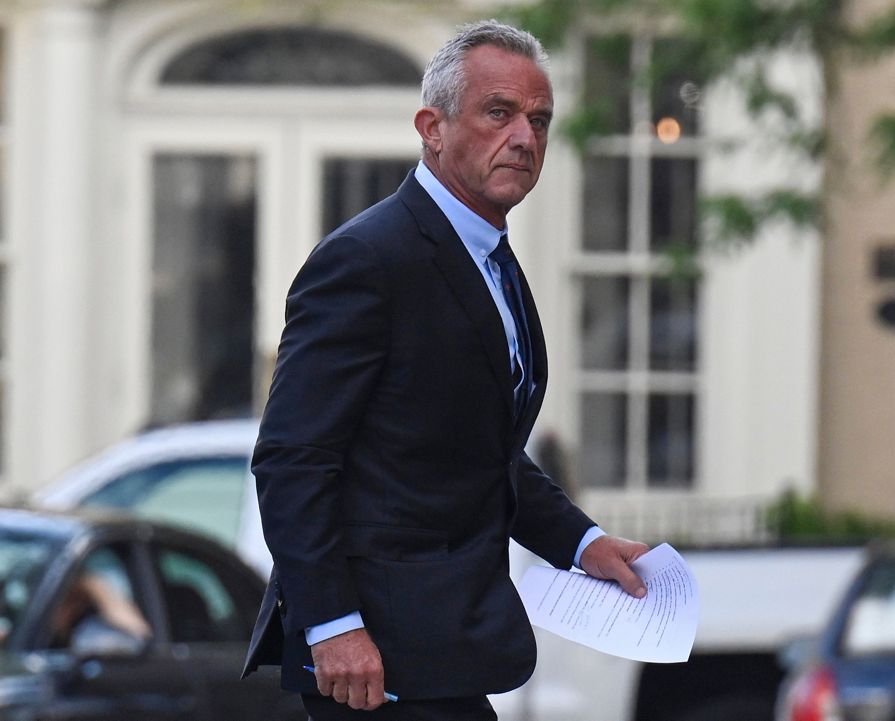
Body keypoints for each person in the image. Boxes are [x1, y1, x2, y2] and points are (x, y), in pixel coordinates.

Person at [241, 21, 651, 721]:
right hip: (370, 663)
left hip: (444, 647)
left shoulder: (491, 257)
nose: (524, 136)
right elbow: (291, 458)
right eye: (499, 112)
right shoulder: (368, 259)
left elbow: (479, 447)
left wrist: (581, 542)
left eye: (539, 119)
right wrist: (332, 623)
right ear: (433, 127)